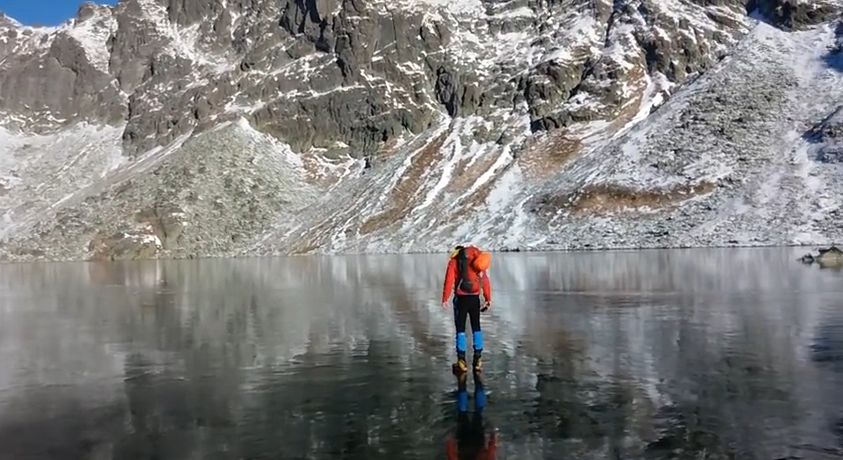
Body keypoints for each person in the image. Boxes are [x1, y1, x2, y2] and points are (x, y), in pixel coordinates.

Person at [442, 245, 492, 374]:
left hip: (461, 299)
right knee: (476, 327)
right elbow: (485, 280)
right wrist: (488, 298)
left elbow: (449, 280)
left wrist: (445, 298)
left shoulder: (454, 262)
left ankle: (462, 361)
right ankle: (477, 360)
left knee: (460, 329)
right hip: (475, 299)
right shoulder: (477, 261)